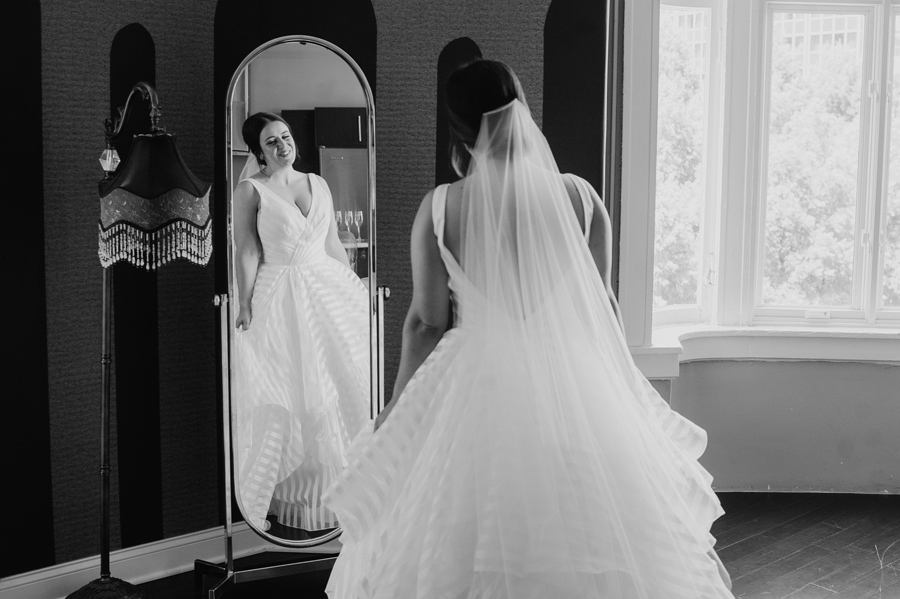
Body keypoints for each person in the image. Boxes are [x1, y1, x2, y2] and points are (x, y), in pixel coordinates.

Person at [322, 60, 733, 598]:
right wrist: (626, 396)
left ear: (460, 128)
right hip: (574, 381)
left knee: (457, 533)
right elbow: (603, 309)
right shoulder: (582, 200)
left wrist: (396, 412)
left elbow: (426, 325)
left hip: (471, 389)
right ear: (521, 109)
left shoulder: (442, 207)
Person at [231, 111, 369, 533]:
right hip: (279, 294)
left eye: (286, 136)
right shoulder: (251, 190)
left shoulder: (319, 183)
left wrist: (354, 289)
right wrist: (246, 303)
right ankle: (293, 497)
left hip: (324, 288)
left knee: (336, 385)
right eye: (271, 142)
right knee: (291, 392)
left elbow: (332, 244)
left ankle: (346, 496)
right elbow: (247, 250)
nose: (282, 145)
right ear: (259, 152)